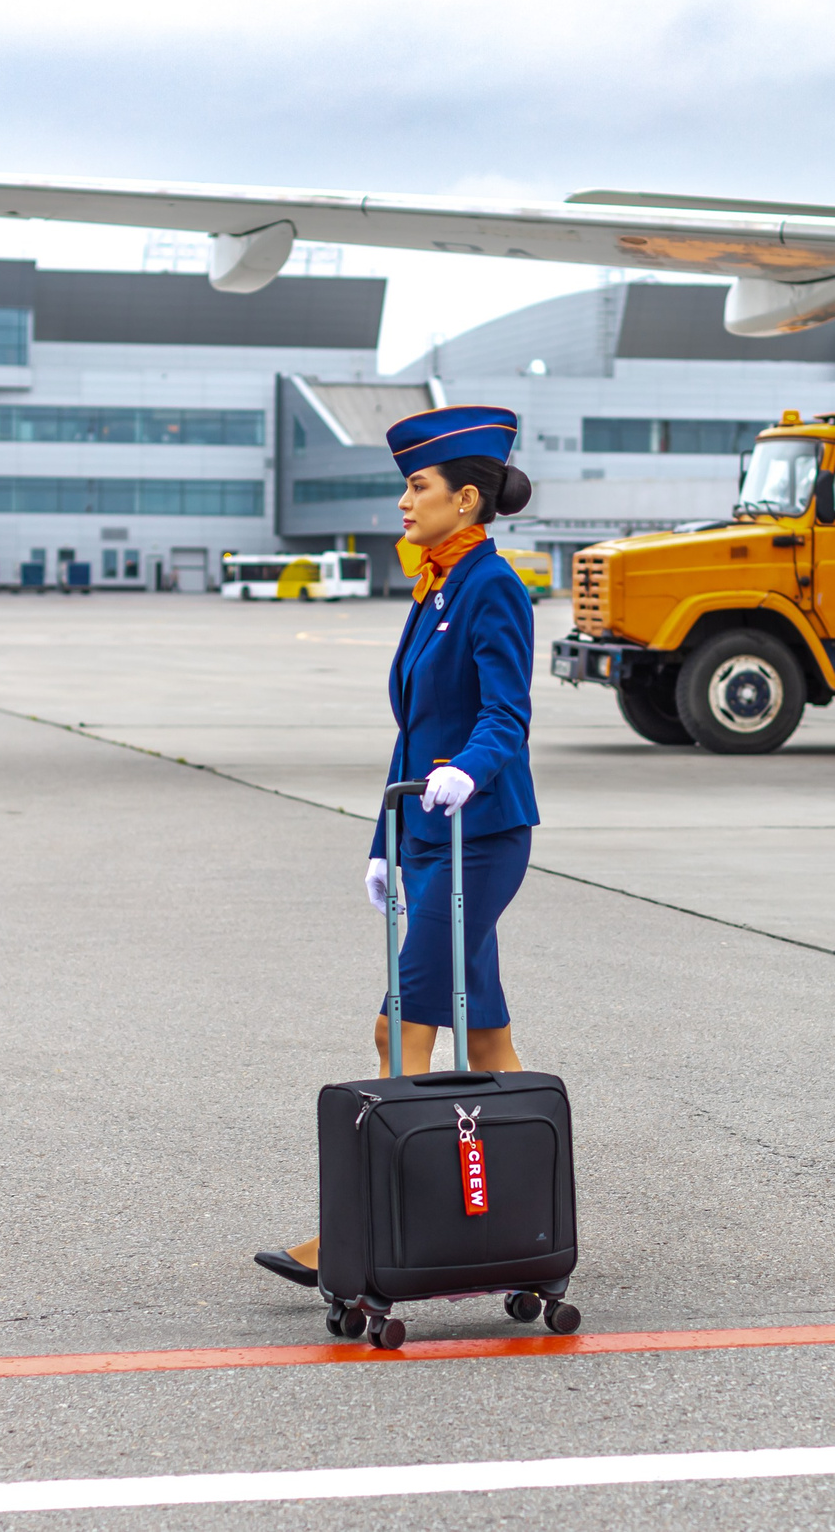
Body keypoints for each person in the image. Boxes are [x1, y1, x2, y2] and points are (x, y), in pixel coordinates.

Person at [256, 404, 540, 1291]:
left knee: (397, 1025)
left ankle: (358, 1234)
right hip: (426, 835)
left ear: (466, 498)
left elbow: (507, 715)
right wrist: (384, 839)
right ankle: (530, 1215)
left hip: (479, 835)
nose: (405, 501)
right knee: (487, 1043)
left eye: (417, 486)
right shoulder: (436, 588)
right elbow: (415, 729)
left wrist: (471, 772)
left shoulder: (491, 585)